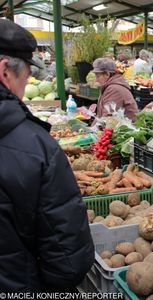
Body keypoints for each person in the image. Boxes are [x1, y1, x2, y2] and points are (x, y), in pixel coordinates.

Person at [0, 19, 94, 292]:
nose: (26, 84)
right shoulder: (36, 147)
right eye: (26, 76)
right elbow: (69, 258)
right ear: (5, 71)